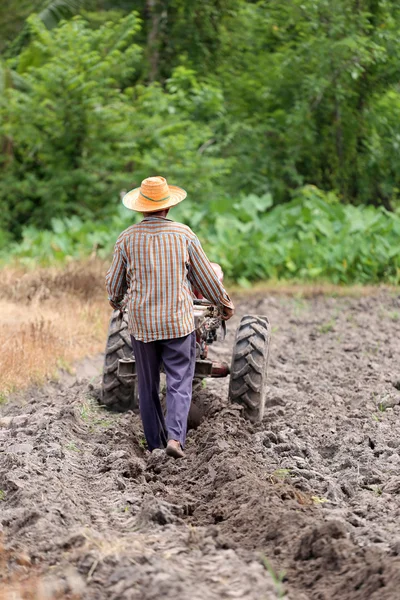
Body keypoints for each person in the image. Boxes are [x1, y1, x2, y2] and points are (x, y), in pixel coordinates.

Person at [106, 176, 234, 459]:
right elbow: (205, 277)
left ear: (141, 208)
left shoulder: (126, 238)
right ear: (167, 207)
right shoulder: (184, 235)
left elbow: (114, 286)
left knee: (148, 385)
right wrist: (224, 304)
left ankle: (154, 446)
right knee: (179, 381)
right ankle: (175, 439)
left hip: (142, 326)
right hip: (178, 322)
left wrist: (117, 302)